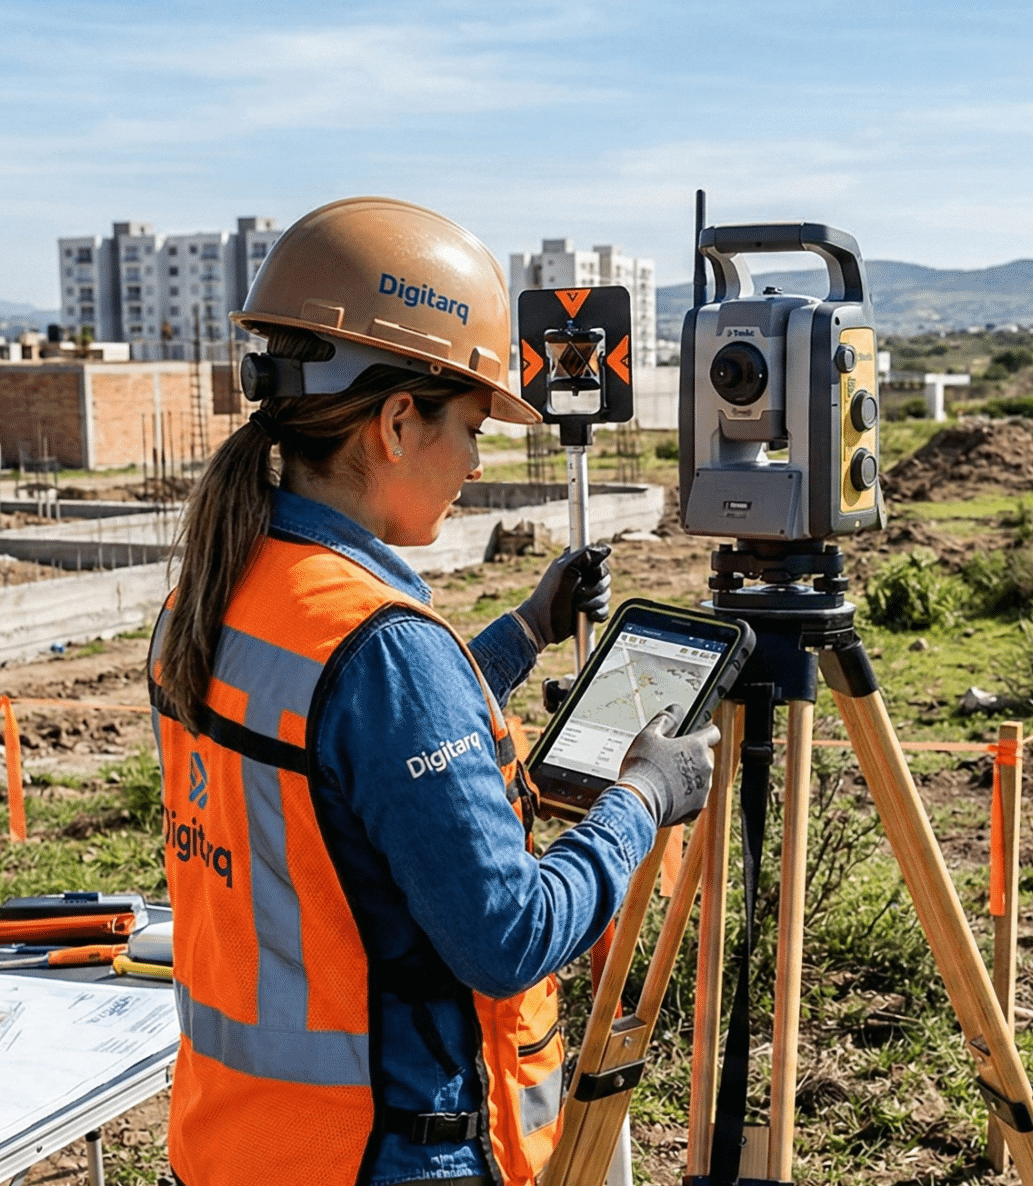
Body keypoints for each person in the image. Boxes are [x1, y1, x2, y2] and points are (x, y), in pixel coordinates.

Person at [150, 196, 719, 1186]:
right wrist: (641, 799)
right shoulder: (379, 650)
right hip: (382, 1150)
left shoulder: (218, 589)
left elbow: (343, 757)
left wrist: (523, 633)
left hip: (239, 1140)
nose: (476, 458)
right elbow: (508, 937)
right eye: (467, 424)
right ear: (397, 421)